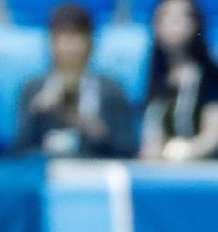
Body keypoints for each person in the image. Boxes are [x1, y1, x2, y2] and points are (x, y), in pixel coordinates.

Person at [15, 4, 137, 159]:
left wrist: (91, 127)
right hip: (47, 172)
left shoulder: (112, 89)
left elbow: (128, 149)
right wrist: (35, 113)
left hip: (96, 172)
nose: (68, 48)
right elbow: (18, 151)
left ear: (90, 42)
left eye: (75, 38)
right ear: (51, 43)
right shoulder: (32, 89)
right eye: (61, 38)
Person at [138, 0, 218, 162]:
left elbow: (215, 137)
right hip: (160, 171)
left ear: (197, 24)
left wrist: (186, 151)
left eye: (181, 17)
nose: (172, 24)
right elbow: (152, 132)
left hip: (206, 172)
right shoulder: (154, 77)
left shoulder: (217, 78)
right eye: (165, 18)